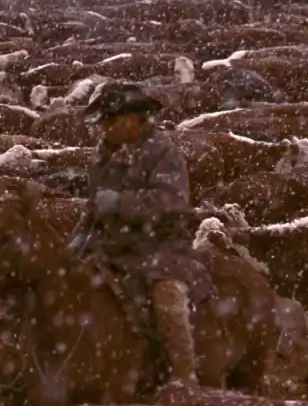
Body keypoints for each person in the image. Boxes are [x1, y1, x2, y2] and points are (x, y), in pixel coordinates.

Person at [68, 81, 212, 387]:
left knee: (167, 298)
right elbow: (95, 209)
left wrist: (121, 203)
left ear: (131, 119)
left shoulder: (163, 152)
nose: (103, 128)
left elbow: (172, 203)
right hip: (113, 248)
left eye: (109, 120)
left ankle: (184, 378)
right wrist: (78, 238)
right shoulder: (103, 156)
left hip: (160, 246)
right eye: (103, 121)